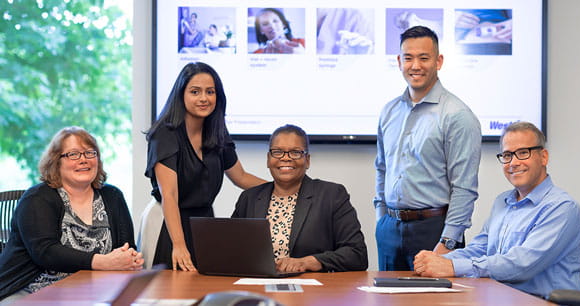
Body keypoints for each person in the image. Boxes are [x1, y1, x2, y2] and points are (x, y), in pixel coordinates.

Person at [413, 122, 580, 299]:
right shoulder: (502, 202)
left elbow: (522, 265)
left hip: (544, 302)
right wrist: (438, 260)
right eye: (507, 155)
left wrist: (452, 267)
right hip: (503, 297)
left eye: (523, 153)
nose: (514, 162)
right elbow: (479, 249)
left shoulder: (562, 208)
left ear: (544, 157)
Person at [374, 25, 481, 271]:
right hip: (390, 228)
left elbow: (464, 187)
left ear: (438, 61)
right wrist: (382, 220)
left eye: (424, 58)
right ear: (399, 61)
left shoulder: (457, 115)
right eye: (408, 58)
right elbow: (382, 168)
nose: (415, 65)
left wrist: (448, 242)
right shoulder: (389, 111)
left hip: (434, 230)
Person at [145, 62, 266, 271]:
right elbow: (170, 195)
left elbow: (241, 177)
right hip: (168, 225)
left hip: (203, 225)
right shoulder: (165, 133)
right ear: (181, 94)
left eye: (210, 92)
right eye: (195, 91)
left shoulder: (216, 131)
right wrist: (179, 245)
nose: (204, 98)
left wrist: (283, 189)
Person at [0, 126, 142, 304]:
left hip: (91, 292)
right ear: (56, 162)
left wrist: (130, 259)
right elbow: (46, 252)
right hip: (29, 290)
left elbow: (127, 246)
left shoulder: (112, 196)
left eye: (90, 153)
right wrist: (103, 262)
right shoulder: (37, 198)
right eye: (73, 154)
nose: (83, 160)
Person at [232, 124, 368, 272]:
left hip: (311, 290)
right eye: (277, 152)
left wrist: (309, 262)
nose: (285, 158)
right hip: (257, 285)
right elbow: (230, 249)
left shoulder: (331, 195)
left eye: (295, 152)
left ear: (307, 160)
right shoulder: (249, 198)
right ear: (268, 159)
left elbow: (357, 254)